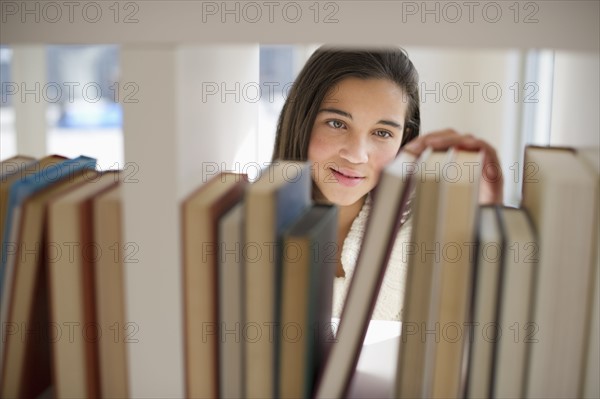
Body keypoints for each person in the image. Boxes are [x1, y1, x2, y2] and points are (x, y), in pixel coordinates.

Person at [272, 46, 503, 321]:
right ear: (302, 120)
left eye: (382, 133)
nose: (357, 154)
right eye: (337, 123)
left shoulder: (427, 230)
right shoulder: (248, 224)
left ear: (404, 140)